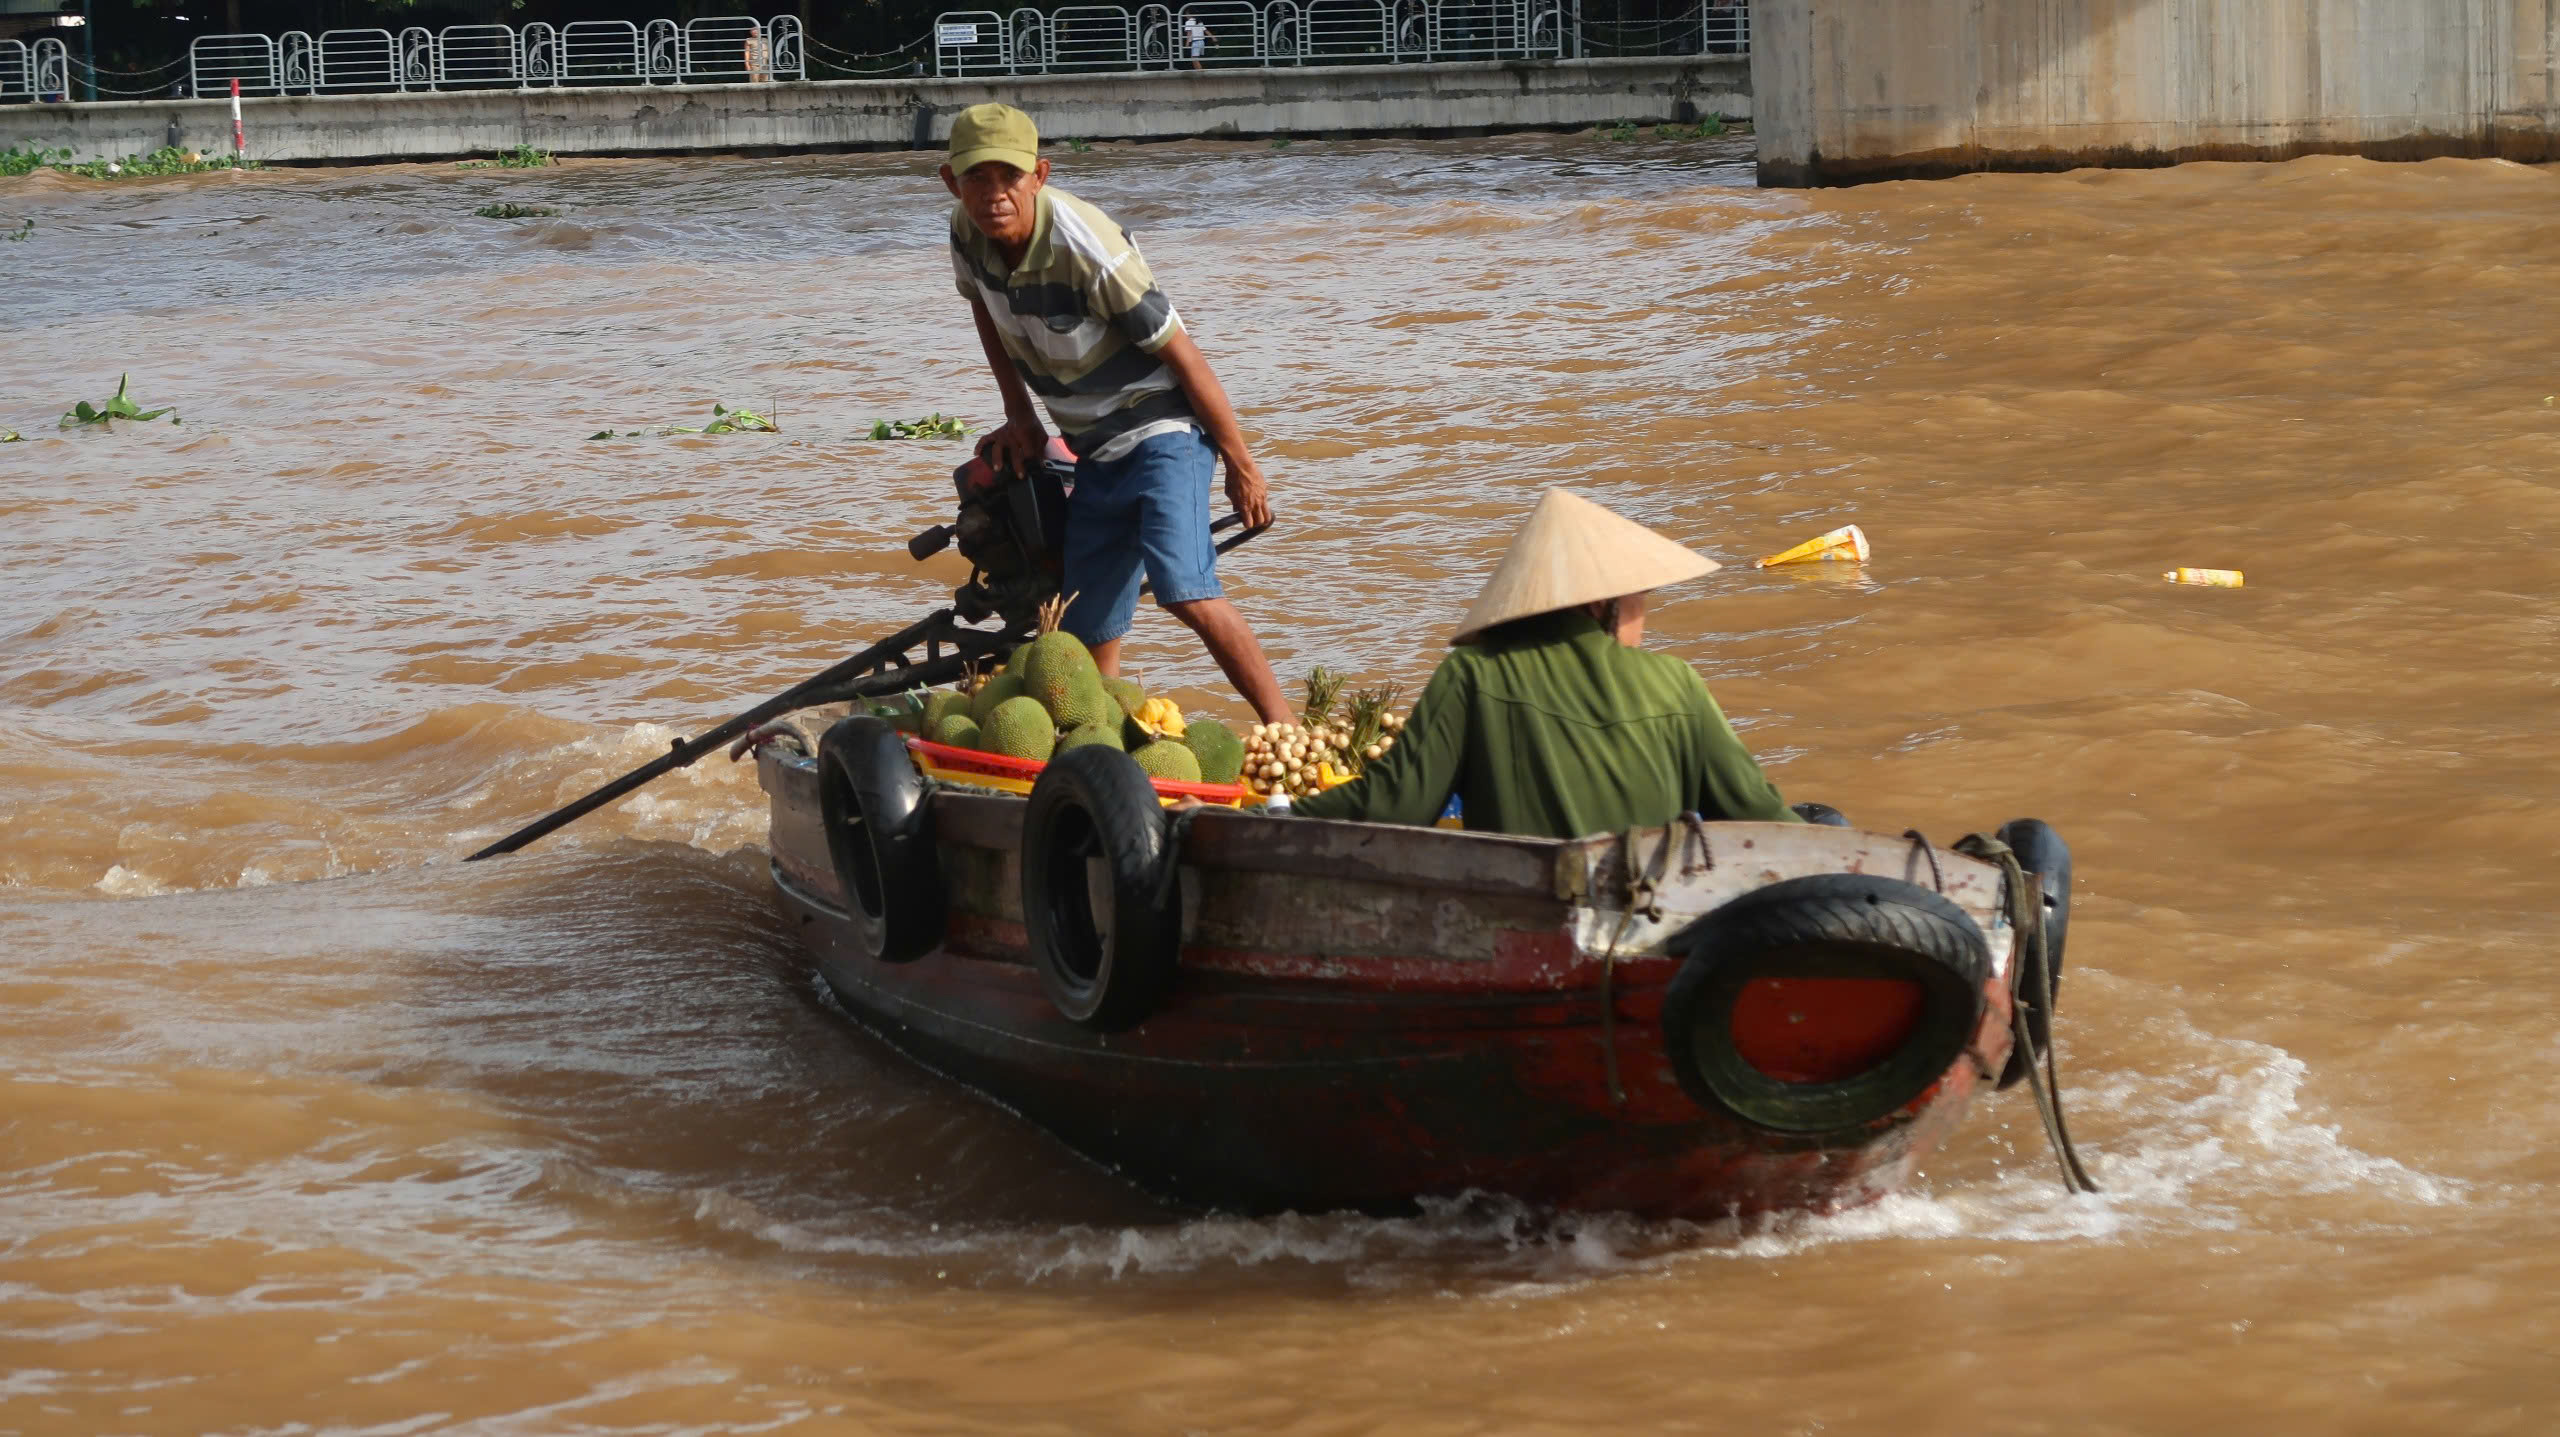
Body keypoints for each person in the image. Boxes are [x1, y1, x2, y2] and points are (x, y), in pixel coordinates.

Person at [940, 102, 1291, 723]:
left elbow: (1184, 355)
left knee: (1184, 589)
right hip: (1093, 449)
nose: (994, 196)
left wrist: (1242, 463)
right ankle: (1093, 742)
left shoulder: (1087, 247)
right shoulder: (967, 235)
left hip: (1164, 431)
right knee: (1081, 624)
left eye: (1009, 179)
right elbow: (983, 309)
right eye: (977, 180)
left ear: (1040, 175)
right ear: (952, 182)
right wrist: (1021, 415)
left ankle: (1285, 727)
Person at [1292, 489, 1803, 839]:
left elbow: (1394, 806)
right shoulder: (1677, 683)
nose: (1642, 620)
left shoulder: (1473, 673)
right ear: (1599, 604)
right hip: (1649, 919)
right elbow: (1756, 814)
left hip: (1524, 923)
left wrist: (1281, 814)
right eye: (1639, 600)